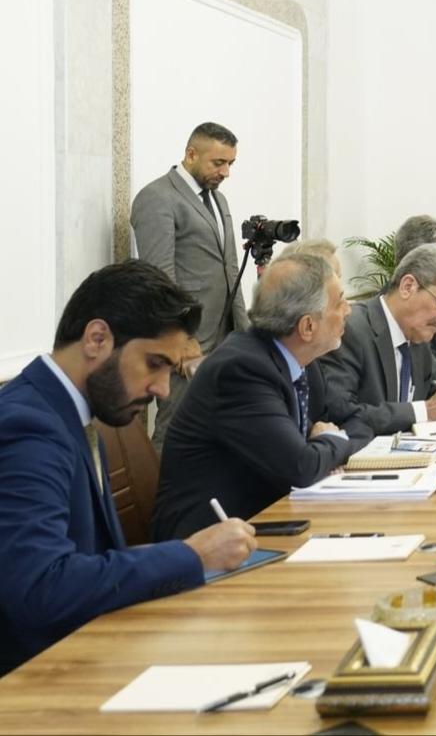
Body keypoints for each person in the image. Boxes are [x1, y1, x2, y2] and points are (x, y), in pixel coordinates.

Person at [0, 261, 256, 676]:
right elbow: (40, 588)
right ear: (97, 339)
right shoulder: (29, 427)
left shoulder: (72, 414)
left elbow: (90, 560)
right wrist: (192, 554)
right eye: (154, 364)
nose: (163, 389)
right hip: (39, 682)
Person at [153, 252, 373, 540]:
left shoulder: (300, 361)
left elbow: (356, 422)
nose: (349, 310)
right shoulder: (241, 370)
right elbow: (301, 467)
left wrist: (325, 445)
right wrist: (333, 439)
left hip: (271, 520)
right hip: (211, 542)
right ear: (307, 326)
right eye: (340, 302)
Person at [128, 121, 248, 450]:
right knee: (175, 430)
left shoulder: (219, 200)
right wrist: (181, 337)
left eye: (231, 163)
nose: (226, 172)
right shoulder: (157, 198)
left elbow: (231, 269)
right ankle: (155, 486)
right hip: (186, 345)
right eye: (218, 163)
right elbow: (159, 277)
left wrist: (244, 330)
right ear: (191, 154)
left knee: (218, 432)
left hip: (225, 339)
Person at [318, 243, 436, 435]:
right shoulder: (351, 330)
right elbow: (340, 414)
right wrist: (424, 411)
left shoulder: (416, 334)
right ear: (408, 287)